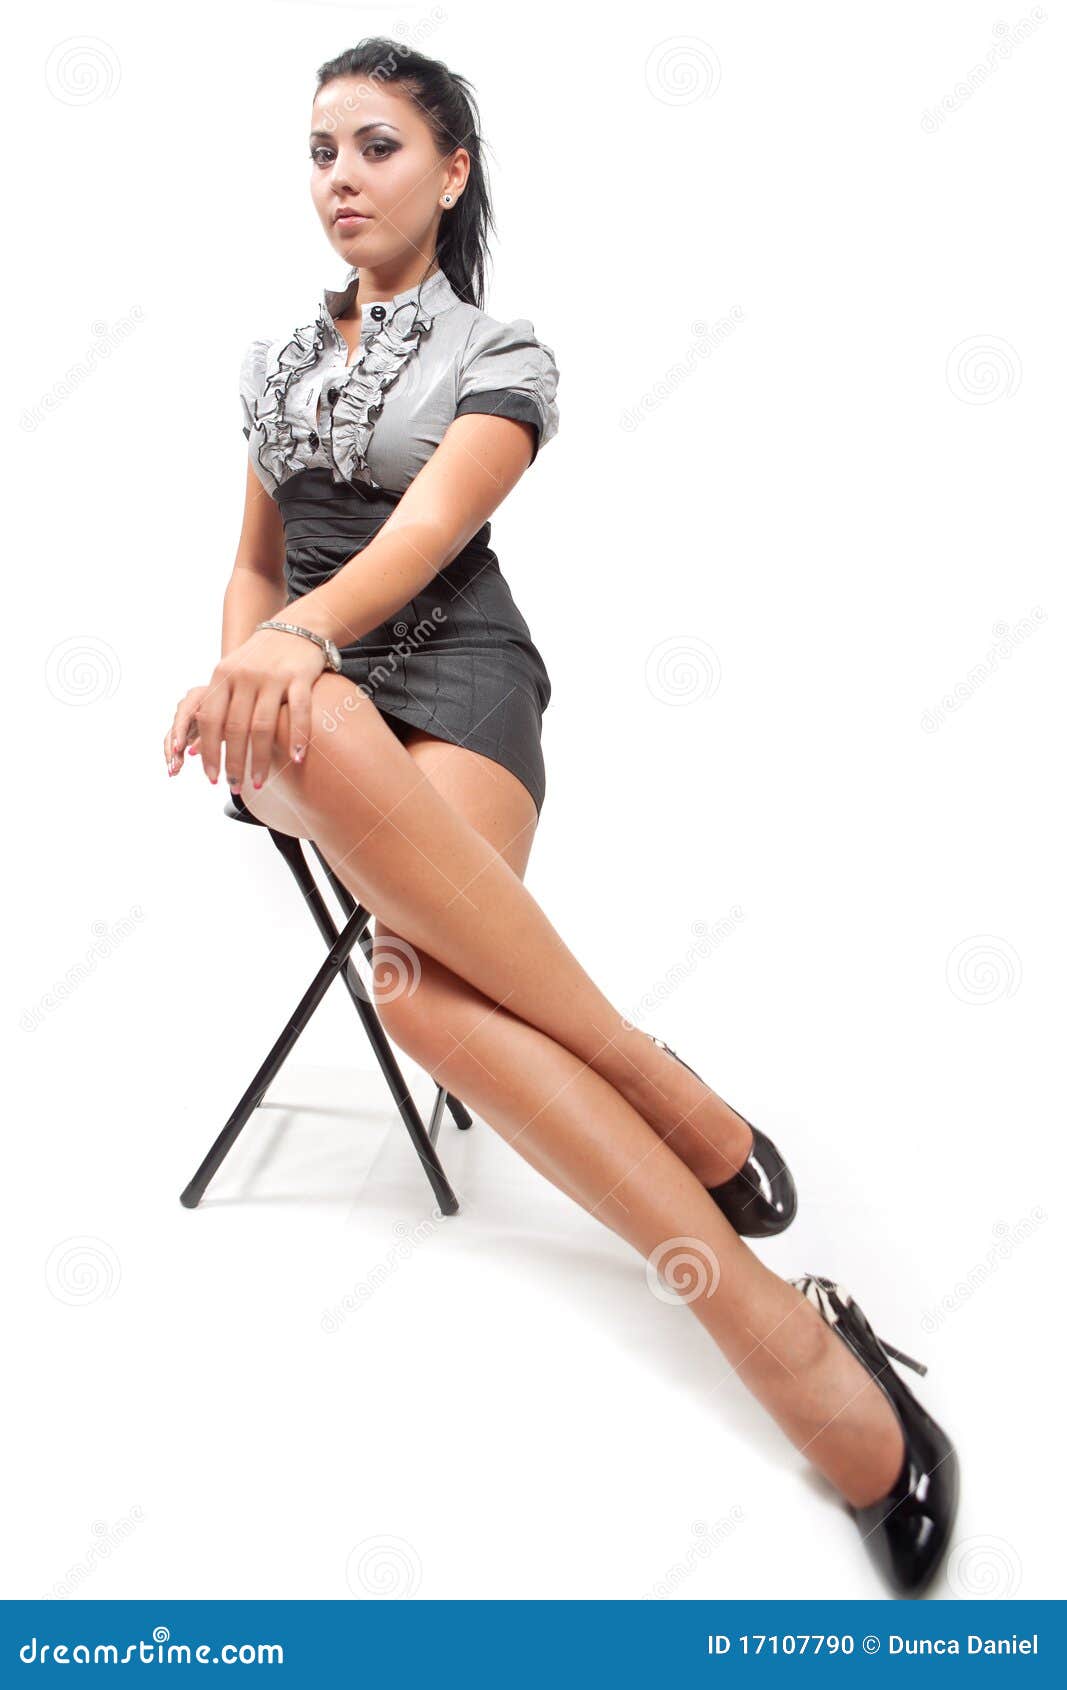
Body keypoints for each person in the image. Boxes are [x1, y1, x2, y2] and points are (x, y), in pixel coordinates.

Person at [163, 37, 958, 1597]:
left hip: (458, 676)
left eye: (378, 145)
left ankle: (790, 1347)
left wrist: (292, 645)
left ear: (451, 169)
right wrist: (241, 668)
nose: (340, 176)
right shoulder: (274, 362)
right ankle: (670, 1097)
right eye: (320, 149)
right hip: (303, 703)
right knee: (318, 725)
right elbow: (254, 564)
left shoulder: (501, 350)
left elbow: (428, 529)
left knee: (414, 990)